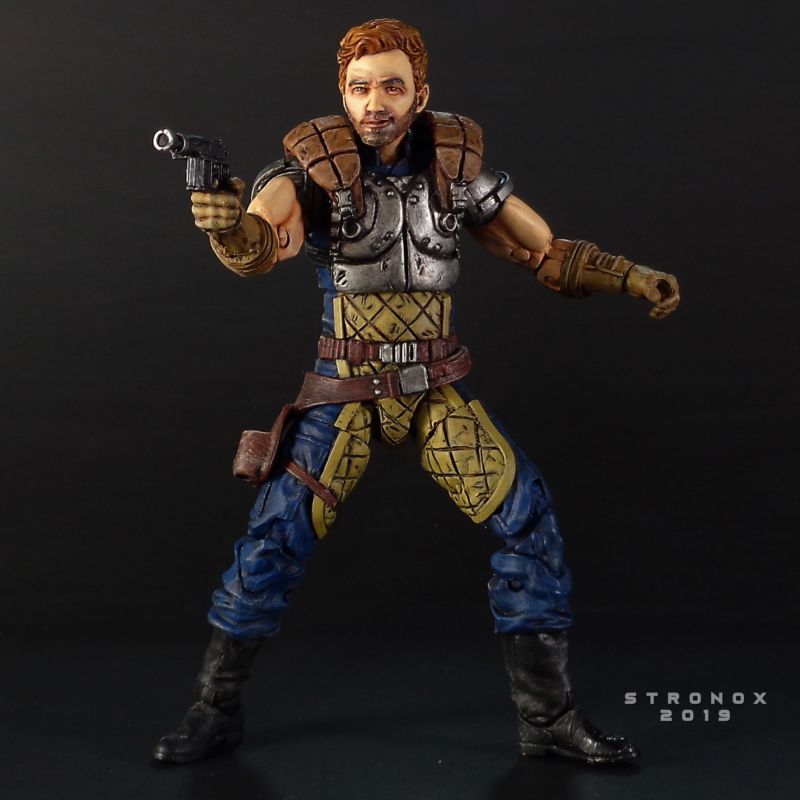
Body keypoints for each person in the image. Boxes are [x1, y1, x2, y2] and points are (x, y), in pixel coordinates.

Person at [153, 17, 679, 766]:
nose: (375, 103)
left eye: (392, 87)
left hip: (435, 390)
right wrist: (224, 226)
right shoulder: (309, 175)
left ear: (420, 95)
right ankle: (214, 709)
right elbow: (263, 246)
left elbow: (543, 252)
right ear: (342, 93)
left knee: (527, 518)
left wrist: (629, 276)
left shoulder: (454, 174)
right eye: (360, 88)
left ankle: (548, 717)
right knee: (274, 539)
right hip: (347, 393)